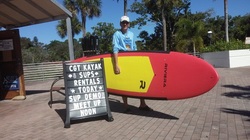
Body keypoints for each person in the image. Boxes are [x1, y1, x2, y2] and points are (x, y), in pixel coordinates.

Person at [112, 15, 153, 112]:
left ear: (129, 24)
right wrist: (116, 64)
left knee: (139, 80)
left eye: (126, 22)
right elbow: (115, 49)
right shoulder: (116, 34)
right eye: (123, 22)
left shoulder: (131, 34)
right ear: (120, 24)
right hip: (122, 58)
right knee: (124, 82)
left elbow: (134, 47)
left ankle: (142, 104)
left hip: (132, 59)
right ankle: (126, 106)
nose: (125, 24)